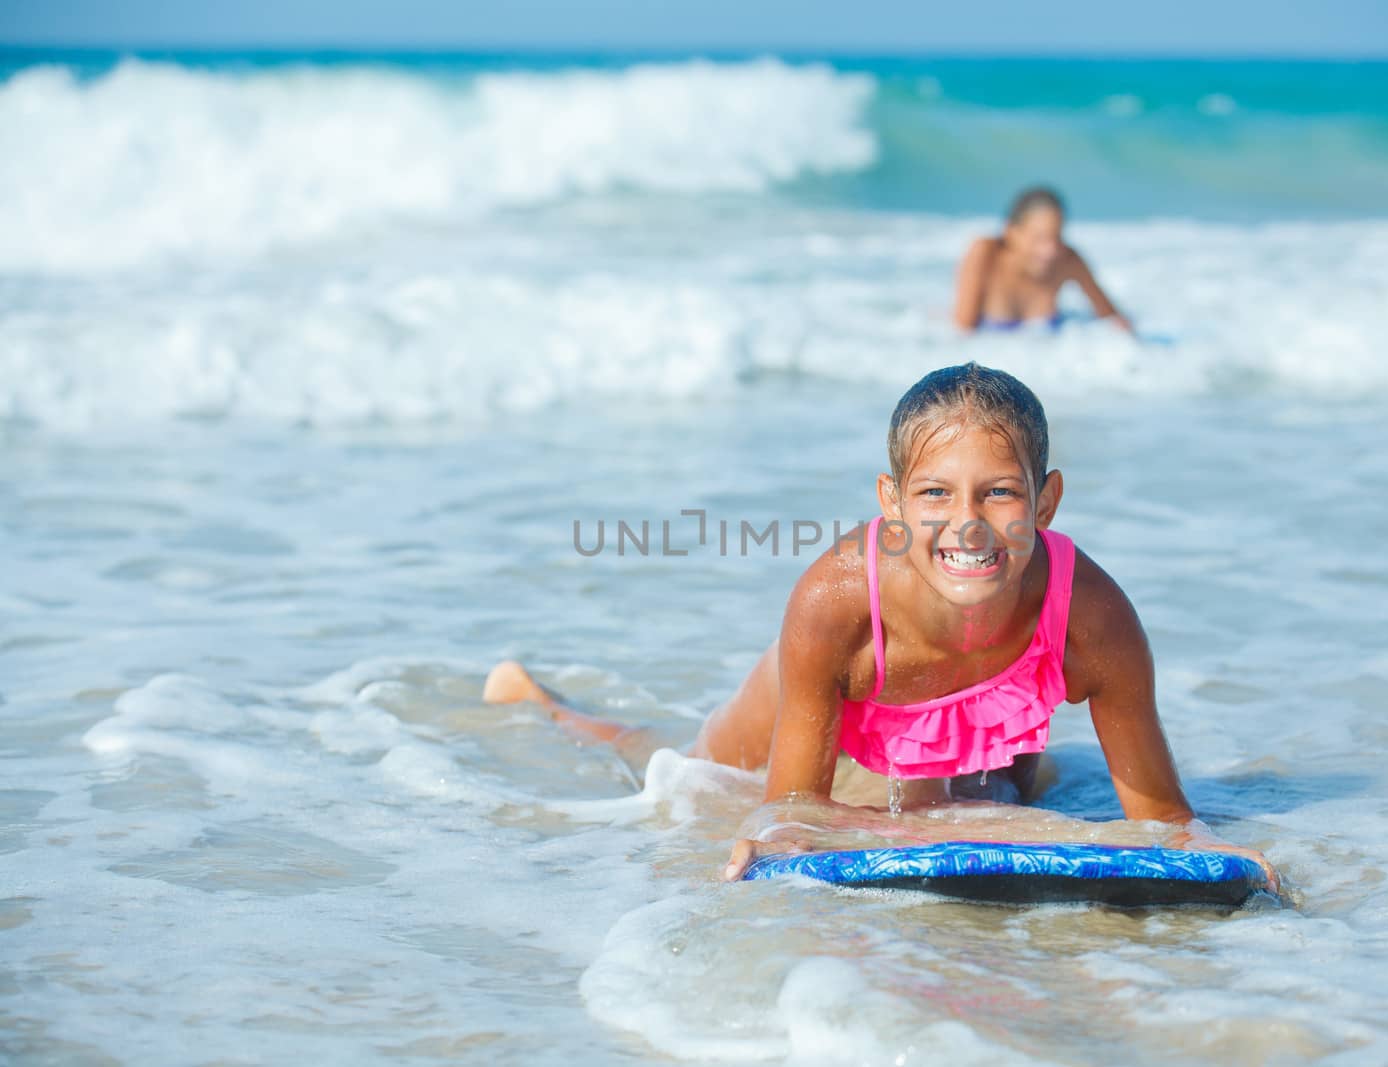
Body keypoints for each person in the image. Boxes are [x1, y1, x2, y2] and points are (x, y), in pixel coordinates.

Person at [485, 363, 1275, 888]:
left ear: (1045, 501)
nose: (967, 524)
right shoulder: (835, 605)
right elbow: (793, 811)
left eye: (999, 493)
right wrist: (780, 833)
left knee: (982, 795)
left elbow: (1165, 821)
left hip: (972, 738)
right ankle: (546, 703)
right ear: (891, 503)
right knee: (668, 767)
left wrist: (1220, 857)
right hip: (797, 720)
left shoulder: (1092, 619)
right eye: (935, 494)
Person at [952, 186, 1134, 335]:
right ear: (1011, 232)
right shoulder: (986, 253)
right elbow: (962, 331)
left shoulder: (1068, 259)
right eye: (1039, 238)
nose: (1051, 250)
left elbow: (1115, 319)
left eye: (1057, 237)